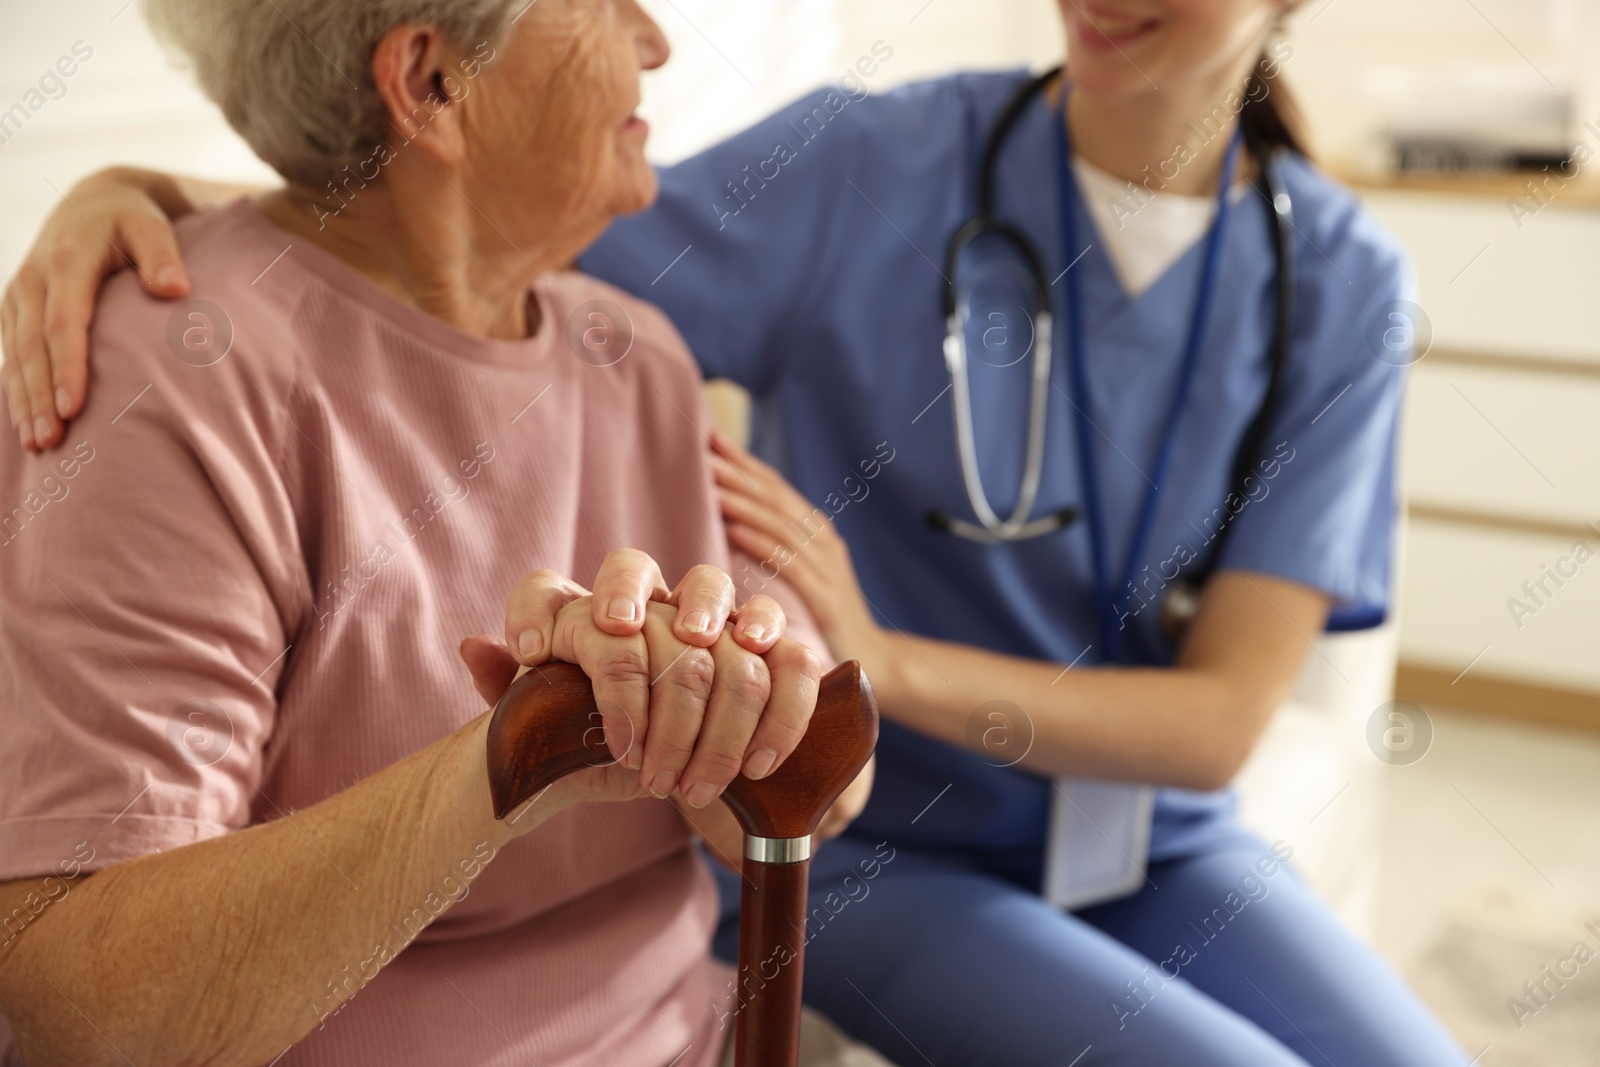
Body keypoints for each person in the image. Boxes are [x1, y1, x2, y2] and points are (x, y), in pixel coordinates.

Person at [0, 2, 1468, 1065]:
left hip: (1136, 833)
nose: (656, 37)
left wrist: (867, 662)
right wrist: (134, 195)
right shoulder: (867, 166)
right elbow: (405, 229)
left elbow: (1218, 726)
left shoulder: (1344, 284)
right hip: (892, 843)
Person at [0, 2, 885, 1066]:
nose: (653, 39)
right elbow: (93, 1012)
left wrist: (743, 717)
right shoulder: (177, 378)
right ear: (431, 84)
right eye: (604, 5)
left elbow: (802, 799)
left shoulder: (634, 351)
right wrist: (515, 755)